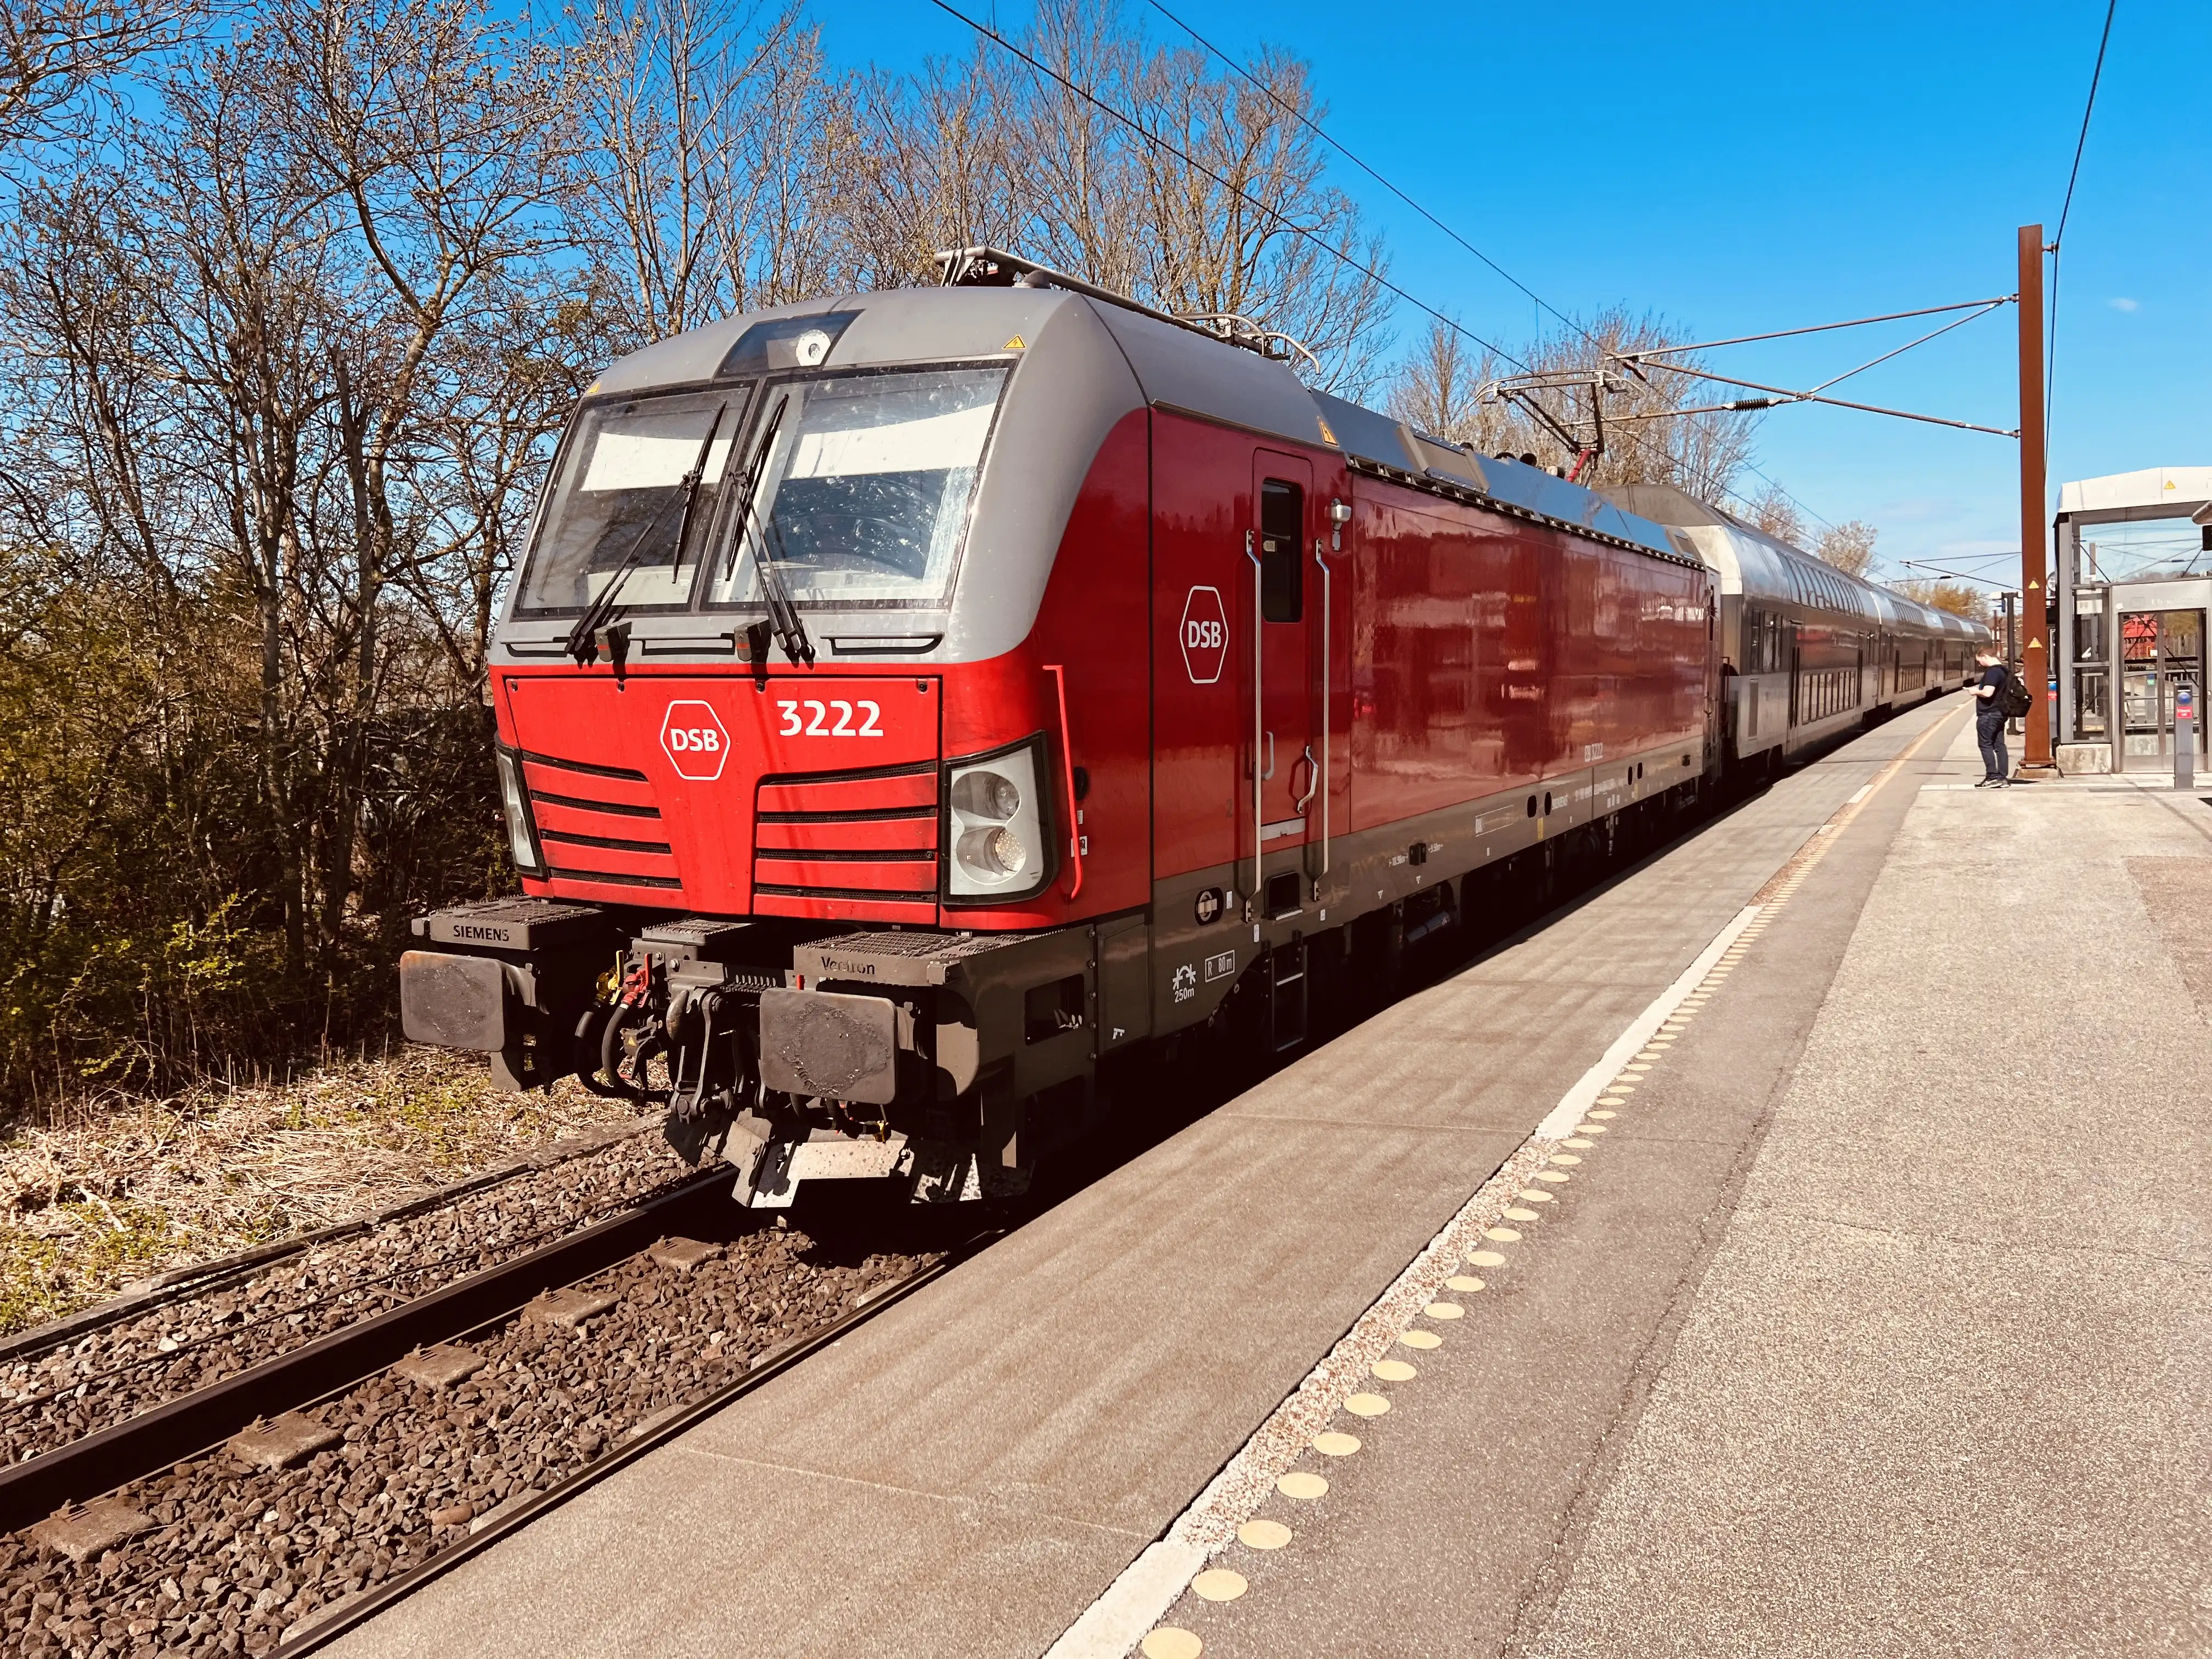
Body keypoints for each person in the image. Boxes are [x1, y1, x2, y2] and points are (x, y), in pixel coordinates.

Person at [1970, 650, 2010, 787]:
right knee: (1999, 746)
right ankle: (2002, 777)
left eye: (1979, 660)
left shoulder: (1993, 672)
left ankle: (1992, 776)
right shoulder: (2004, 671)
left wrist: (1975, 691)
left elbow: (1988, 693)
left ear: (1985, 656)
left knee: (1985, 745)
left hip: (1989, 714)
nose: (1979, 664)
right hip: (2000, 714)